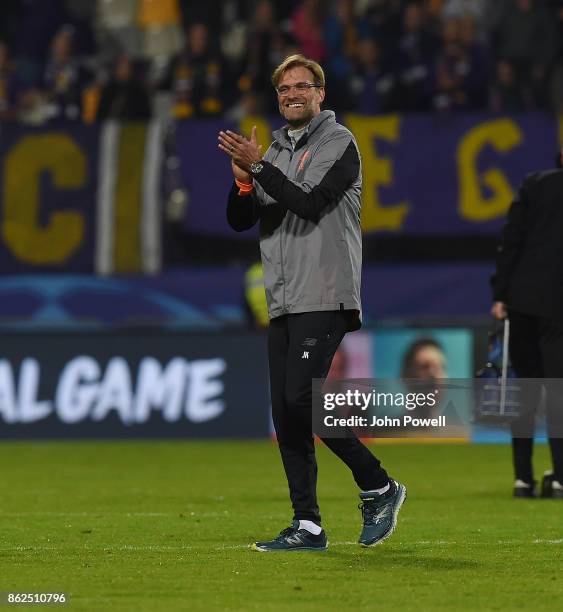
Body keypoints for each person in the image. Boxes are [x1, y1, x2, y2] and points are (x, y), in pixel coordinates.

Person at [218, 54, 406, 552]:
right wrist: (243, 179)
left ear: (321, 94)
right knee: (286, 412)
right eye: (284, 90)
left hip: (325, 290)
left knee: (303, 398)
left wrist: (258, 165)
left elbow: (309, 201)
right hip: (283, 296)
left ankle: (379, 484)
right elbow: (242, 220)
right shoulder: (274, 150)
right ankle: (308, 525)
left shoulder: (339, 143)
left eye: (302, 86)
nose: (292, 95)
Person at [491, 152, 563, 499]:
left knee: (527, 390)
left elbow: (511, 240)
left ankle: (523, 479)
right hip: (556, 306)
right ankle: (560, 477)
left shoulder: (534, 185)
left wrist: (501, 293)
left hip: (522, 299)